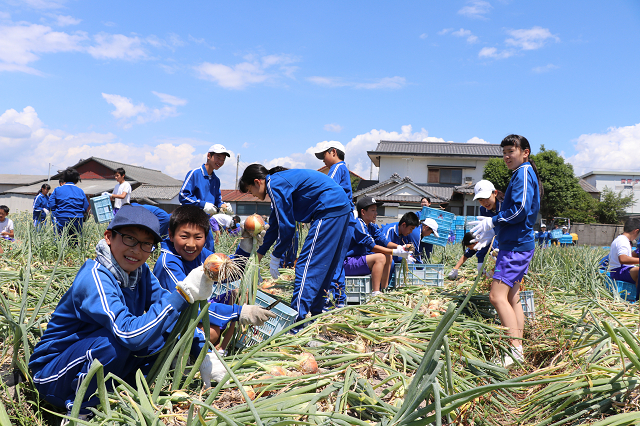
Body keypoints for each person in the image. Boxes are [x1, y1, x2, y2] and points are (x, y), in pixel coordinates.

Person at [28, 205, 225, 422]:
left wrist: (204, 351)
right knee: (114, 344)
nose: (136, 250)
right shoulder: (95, 277)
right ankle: (79, 411)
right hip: (53, 377)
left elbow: (169, 312)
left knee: (160, 337)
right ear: (109, 237)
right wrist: (182, 293)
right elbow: (129, 334)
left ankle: (120, 395)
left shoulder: (141, 272)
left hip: (95, 363)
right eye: (129, 238)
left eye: (146, 244)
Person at [239, 164, 353, 329]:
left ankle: (295, 323)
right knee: (324, 266)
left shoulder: (274, 184)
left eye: (250, 191)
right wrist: (260, 254)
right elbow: (276, 224)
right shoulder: (278, 182)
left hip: (328, 207)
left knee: (306, 265)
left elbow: (288, 227)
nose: (253, 196)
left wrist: (276, 255)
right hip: (340, 208)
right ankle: (315, 315)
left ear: (257, 182)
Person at [153, 205, 274, 353]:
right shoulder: (168, 263)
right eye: (184, 236)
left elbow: (230, 273)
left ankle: (221, 350)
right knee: (212, 331)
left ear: (205, 236)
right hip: (174, 322)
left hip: (196, 308)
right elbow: (191, 307)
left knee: (239, 295)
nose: (191, 244)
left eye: (198, 237)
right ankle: (186, 355)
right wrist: (239, 312)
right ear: (171, 235)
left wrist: (246, 246)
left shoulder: (201, 254)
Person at [470, 134, 541, 366]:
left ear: (525, 152)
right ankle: (518, 344)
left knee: (496, 296)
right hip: (518, 243)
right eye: (504, 152)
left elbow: (520, 209)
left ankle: (515, 350)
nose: (507, 156)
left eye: (511, 151)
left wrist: (494, 222)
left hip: (515, 245)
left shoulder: (522, 173)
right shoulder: (524, 173)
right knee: (512, 296)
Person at [342, 197, 412, 296]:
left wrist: (401, 247)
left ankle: (384, 289)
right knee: (380, 257)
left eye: (376, 210)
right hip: (347, 262)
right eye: (373, 210)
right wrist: (395, 252)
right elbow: (372, 247)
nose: (376, 213)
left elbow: (384, 242)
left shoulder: (371, 226)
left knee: (388, 256)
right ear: (363, 212)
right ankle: (375, 292)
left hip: (358, 260)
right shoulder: (358, 224)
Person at [315, 141, 355, 308]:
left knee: (333, 261)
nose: (322, 160)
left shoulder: (337, 168)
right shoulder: (341, 169)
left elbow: (326, 187)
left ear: (333, 152)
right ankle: (338, 300)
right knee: (337, 261)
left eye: (323, 155)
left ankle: (331, 300)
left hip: (342, 219)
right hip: (347, 219)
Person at [179, 144, 232, 252]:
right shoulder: (195, 173)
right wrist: (202, 205)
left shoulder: (216, 180)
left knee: (209, 250)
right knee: (190, 251)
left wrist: (223, 206)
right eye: (218, 157)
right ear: (209, 155)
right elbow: (183, 196)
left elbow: (217, 201)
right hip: (189, 220)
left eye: (223, 160)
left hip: (205, 221)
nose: (220, 162)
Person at [449, 180, 502, 279]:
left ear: (495, 193)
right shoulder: (483, 210)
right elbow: (487, 232)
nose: (485, 202)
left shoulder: (505, 206)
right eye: (481, 200)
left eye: (487, 198)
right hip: (494, 241)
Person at [48, 168, 89, 244]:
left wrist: (56, 211)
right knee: (74, 241)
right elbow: (86, 205)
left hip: (62, 218)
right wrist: (80, 212)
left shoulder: (57, 190)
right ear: (76, 179)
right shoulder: (80, 191)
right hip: (77, 218)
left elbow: (51, 204)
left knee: (60, 240)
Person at [608, 217, 640, 288]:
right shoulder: (623, 241)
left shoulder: (621, 239)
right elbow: (623, 259)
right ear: (636, 231)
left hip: (621, 270)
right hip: (618, 271)